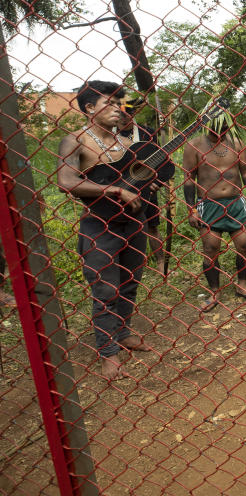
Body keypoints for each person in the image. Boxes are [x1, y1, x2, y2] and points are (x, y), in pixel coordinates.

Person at [56, 80, 151, 380]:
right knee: (105, 290)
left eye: (118, 102)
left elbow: (136, 177)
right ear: (88, 108)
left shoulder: (125, 143)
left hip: (134, 223)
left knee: (131, 282)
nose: (117, 108)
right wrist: (115, 191)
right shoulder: (75, 141)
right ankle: (107, 352)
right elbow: (67, 182)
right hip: (100, 225)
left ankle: (122, 332)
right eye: (108, 103)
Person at [183, 111, 246, 312]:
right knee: (210, 248)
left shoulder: (235, 142)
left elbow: (245, 171)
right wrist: (192, 209)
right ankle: (215, 292)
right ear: (206, 125)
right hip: (209, 204)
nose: (219, 134)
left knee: (245, 244)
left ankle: (242, 285)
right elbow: (189, 178)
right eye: (215, 130)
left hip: (235, 201)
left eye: (224, 129)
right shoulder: (194, 145)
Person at [117, 94, 165, 270]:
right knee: (122, 228)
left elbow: (161, 160)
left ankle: (160, 261)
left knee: (152, 226)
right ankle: (130, 266)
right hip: (121, 188)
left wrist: (156, 182)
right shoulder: (109, 135)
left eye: (128, 112)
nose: (124, 115)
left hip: (146, 185)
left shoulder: (147, 132)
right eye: (121, 112)